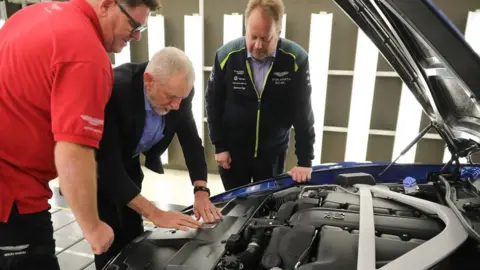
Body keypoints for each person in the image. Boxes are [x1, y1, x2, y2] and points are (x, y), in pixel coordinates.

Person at [0, 0, 159, 269]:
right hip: (12, 193)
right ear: (108, 5)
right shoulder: (88, 56)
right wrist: (93, 227)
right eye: (133, 25)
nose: (137, 35)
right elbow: (73, 152)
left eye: (142, 27)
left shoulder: (36, 14)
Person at [94, 47, 223, 269]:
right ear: (148, 81)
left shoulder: (179, 94)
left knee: (135, 235)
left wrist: (201, 190)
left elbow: (191, 140)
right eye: (171, 97)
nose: (176, 106)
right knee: (109, 237)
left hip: (129, 162)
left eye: (180, 98)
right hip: (97, 170)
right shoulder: (115, 91)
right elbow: (108, 168)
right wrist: (154, 212)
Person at [205, 0, 315, 191]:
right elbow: (212, 102)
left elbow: (303, 112)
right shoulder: (226, 56)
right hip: (233, 154)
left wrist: (305, 160)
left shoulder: (296, 59)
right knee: (237, 206)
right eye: (252, 36)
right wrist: (219, 146)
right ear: (245, 28)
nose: (257, 45)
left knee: (267, 206)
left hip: (272, 154)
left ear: (278, 33)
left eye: (266, 38)